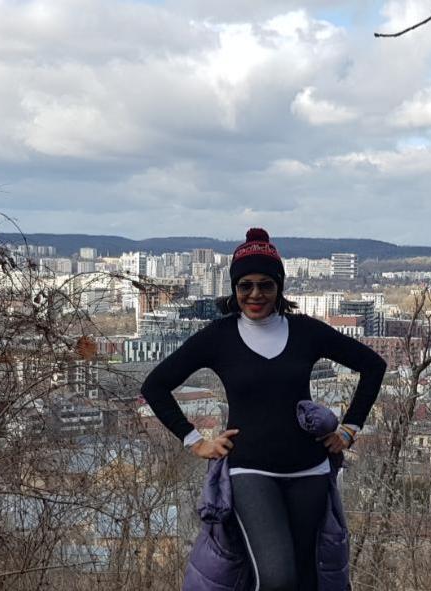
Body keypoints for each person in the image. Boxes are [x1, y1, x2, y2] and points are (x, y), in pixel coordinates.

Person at [141, 228, 387, 591]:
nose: (255, 294)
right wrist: (195, 441)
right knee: (276, 577)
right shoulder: (219, 336)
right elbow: (155, 386)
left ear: (279, 288)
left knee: (305, 576)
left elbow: (373, 366)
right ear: (234, 289)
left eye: (265, 285)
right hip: (249, 471)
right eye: (245, 286)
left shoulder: (305, 331)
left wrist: (350, 429)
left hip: (310, 470)